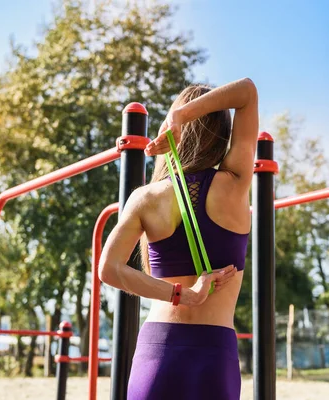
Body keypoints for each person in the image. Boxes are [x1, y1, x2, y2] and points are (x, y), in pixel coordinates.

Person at [98, 77, 259, 400]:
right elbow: (247, 92)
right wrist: (182, 117)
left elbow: (109, 269)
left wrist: (181, 295)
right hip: (214, 353)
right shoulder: (236, 183)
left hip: (158, 350)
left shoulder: (146, 198)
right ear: (221, 135)